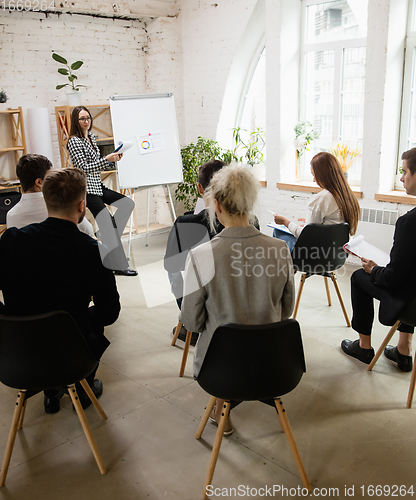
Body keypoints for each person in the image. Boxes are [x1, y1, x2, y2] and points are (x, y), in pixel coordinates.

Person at [180, 165, 295, 435]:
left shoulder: (201, 255)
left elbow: (192, 323)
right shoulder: (280, 250)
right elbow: (286, 311)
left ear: (216, 205)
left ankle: (223, 414)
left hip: (220, 370)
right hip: (274, 365)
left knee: (222, 337)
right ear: (251, 203)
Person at [0, 168, 121, 413]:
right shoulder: (94, 251)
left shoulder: (11, 240)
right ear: (81, 205)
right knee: (87, 321)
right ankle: (83, 390)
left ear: (47, 201)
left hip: (18, 357)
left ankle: (51, 393)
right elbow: (109, 313)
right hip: (72, 359)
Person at [341, 148, 416, 371]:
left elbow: (393, 279)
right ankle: (404, 350)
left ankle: (364, 347)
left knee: (358, 277)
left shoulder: (409, 223)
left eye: (404, 172)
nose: (401, 178)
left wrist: (373, 270)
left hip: (409, 302)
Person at [67, 105, 137, 276]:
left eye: (88, 118)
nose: (87, 121)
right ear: (76, 121)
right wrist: (106, 159)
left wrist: (113, 159)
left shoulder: (91, 137)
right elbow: (82, 168)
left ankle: (106, 235)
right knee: (108, 225)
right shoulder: (74, 141)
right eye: (82, 118)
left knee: (127, 203)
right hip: (86, 189)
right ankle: (119, 264)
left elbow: (97, 164)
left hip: (98, 185)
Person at [272, 152, 360, 251]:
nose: (314, 180)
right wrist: (316, 226)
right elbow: (334, 224)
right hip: (336, 252)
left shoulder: (322, 199)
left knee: (278, 232)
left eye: (314, 175)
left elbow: (305, 237)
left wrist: (285, 222)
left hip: (316, 253)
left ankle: (290, 266)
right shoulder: (349, 196)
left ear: (323, 175)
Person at [6, 153, 94, 236]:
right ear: (39, 182)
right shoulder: (57, 206)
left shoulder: (12, 216)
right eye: (49, 177)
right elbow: (88, 231)